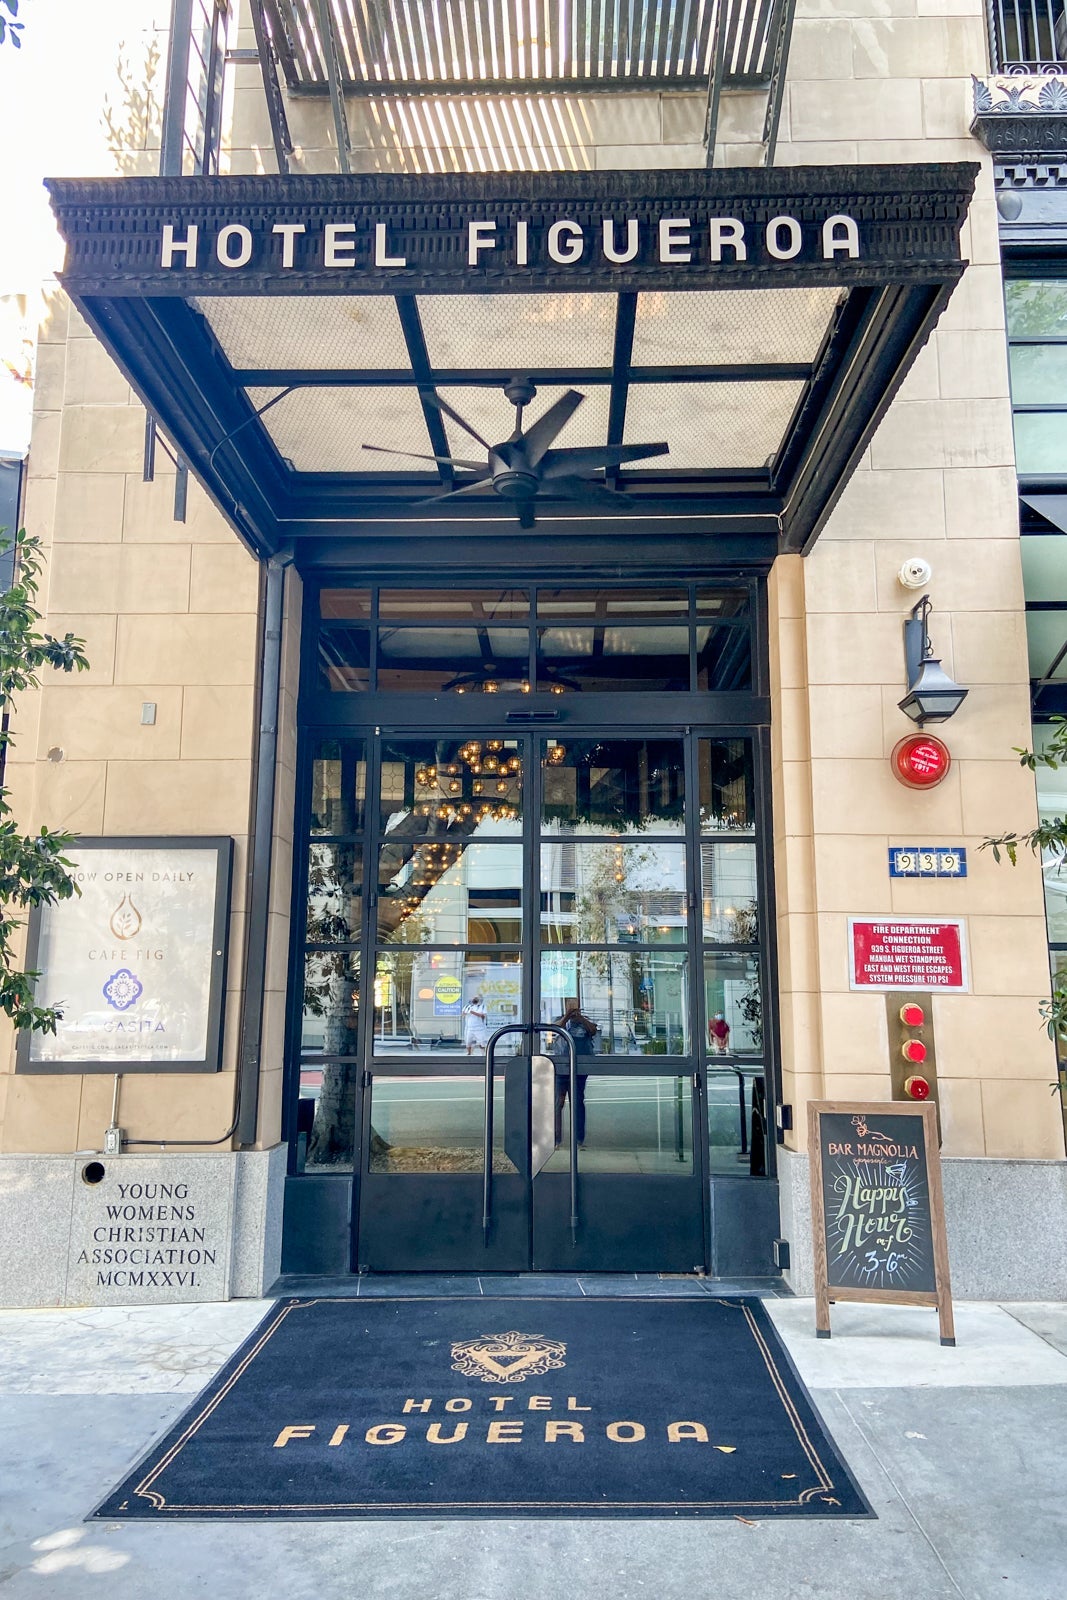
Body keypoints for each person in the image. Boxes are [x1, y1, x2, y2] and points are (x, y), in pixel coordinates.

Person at [553, 997, 598, 1146]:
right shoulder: (560, 1019)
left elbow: (593, 1030)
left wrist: (581, 1019)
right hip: (562, 1066)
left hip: (580, 1066)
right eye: (569, 1005)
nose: (572, 1007)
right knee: (558, 1102)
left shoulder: (585, 1021)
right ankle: (556, 1138)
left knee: (577, 1101)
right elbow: (556, 1029)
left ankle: (579, 1138)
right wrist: (567, 1016)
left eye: (575, 1005)